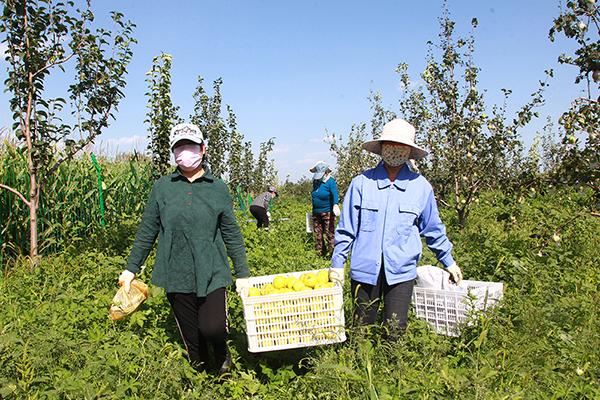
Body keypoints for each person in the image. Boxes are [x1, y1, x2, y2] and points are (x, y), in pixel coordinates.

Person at [118, 123, 249, 374]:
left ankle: (222, 355)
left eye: (189, 145)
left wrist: (242, 272)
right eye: (179, 147)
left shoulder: (218, 187)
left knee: (212, 328)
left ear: (203, 149)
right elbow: (148, 229)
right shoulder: (163, 187)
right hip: (176, 271)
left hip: (212, 270)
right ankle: (201, 376)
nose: (184, 152)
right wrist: (131, 268)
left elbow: (231, 231)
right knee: (192, 338)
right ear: (173, 152)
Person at [330, 118, 462, 336]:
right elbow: (347, 229)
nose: (395, 151)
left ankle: (392, 369)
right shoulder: (362, 183)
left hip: (401, 272)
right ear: (381, 147)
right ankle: (359, 365)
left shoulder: (420, 187)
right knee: (361, 329)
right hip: (365, 270)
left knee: (395, 329)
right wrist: (337, 263)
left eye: (401, 146)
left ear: (409, 151)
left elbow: (432, 228)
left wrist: (448, 261)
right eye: (390, 145)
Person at [310, 161, 340, 256]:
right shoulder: (316, 181)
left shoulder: (330, 181)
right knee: (318, 234)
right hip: (316, 212)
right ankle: (320, 253)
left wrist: (335, 204)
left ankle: (333, 254)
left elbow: (334, 193)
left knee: (329, 233)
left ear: (326, 172)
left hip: (327, 212)